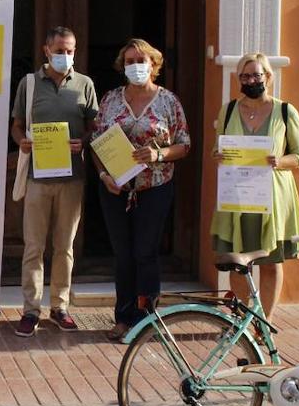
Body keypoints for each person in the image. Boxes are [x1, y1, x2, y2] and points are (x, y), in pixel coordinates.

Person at [90, 38, 191, 342]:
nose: (136, 66)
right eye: (130, 61)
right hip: (115, 188)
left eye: (142, 60)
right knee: (123, 255)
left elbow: (184, 145)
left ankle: (147, 319)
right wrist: (104, 175)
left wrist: (159, 154)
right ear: (123, 66)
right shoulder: (110, 99)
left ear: (153, 64)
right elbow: (96, 142)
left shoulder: (168, 101)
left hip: (154, 188)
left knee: (145, 253)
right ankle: (123, 318)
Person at [10, 26, 99, 336]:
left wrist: (83, 142)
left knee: (65, 247)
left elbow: (94, 127)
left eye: (70, 50)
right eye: (59, 50)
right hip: (37, 176)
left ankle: (60, 307)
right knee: (33, 246)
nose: (65, 56)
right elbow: (17, 125)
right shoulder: (30, 84)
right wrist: (22, 141)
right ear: (46, 51)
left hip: (72, 178)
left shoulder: (85, 84)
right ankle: (31, 310)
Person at [210, 52, 299, 317]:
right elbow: (217, 149)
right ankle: (242, 319)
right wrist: (217, 155)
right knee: (237, 262)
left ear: (267, 77)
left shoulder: (285, 111)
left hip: (272, 199)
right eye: (245, 75)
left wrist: (279, 160)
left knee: (270, 262)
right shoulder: (228, 110)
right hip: (237, 198)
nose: (251, 80)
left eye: (256, 75)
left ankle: (265, 321)